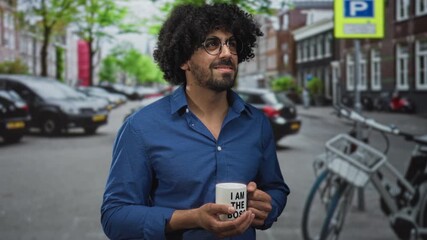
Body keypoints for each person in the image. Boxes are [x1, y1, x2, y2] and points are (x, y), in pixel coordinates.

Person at [101, 3, 290, 240]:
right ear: (184, 60)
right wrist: (191, 218)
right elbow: (115, 216)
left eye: (232, 43)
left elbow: (276, 188)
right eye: (212, 44)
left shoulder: (257, 123)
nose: (226, 53)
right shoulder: (141, 128)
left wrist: (268, 207)